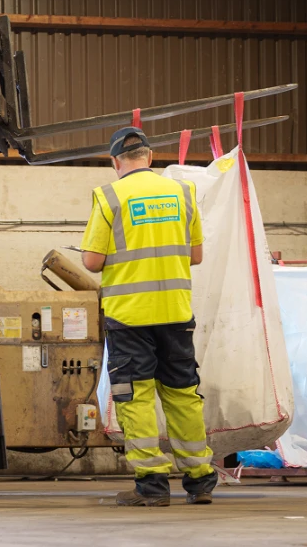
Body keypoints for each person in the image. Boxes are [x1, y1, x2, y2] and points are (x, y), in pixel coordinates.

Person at [80, 126, 217, 507]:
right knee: (182, 393)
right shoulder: (183, 193)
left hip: (130, 316)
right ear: (150, 158)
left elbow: (92, 262)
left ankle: (152, 485)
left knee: (136, 396)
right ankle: (200, 479)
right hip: (175, 312)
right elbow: (196, 256)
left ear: (115, 163)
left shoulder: (109, 196)